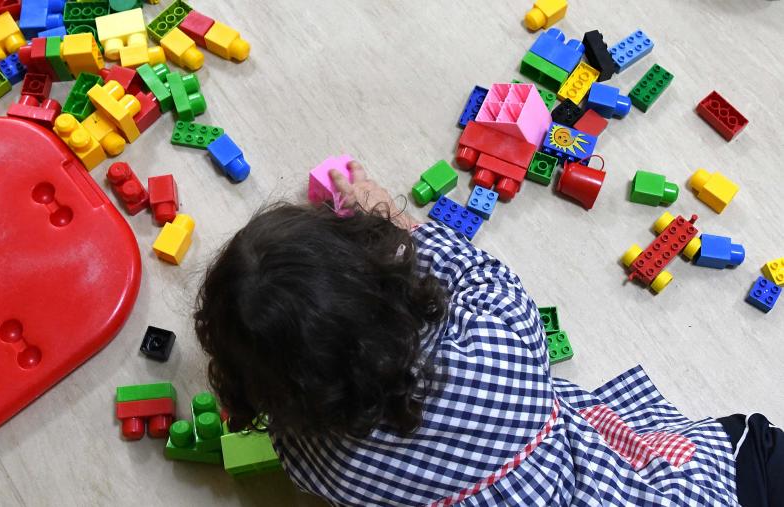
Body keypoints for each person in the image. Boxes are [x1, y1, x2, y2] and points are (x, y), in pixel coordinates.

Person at [194, 161, 780, 506]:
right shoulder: (496, 349)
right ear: (387, 288)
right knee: (754, 451)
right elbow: (484, 276)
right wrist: (398, 230)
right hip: (678, 492)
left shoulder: (318, 459)